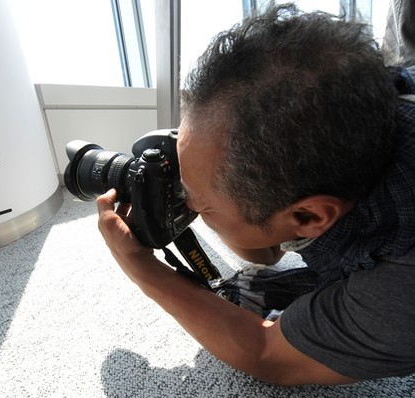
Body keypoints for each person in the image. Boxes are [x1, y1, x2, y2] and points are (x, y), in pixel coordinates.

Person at [96, 4, 415, 386]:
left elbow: (268, 352)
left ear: (310, 217)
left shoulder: (401, 289)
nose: (188, 203)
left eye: (202, 206)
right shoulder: (368, 94)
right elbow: (268, 248)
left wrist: (141, 268)